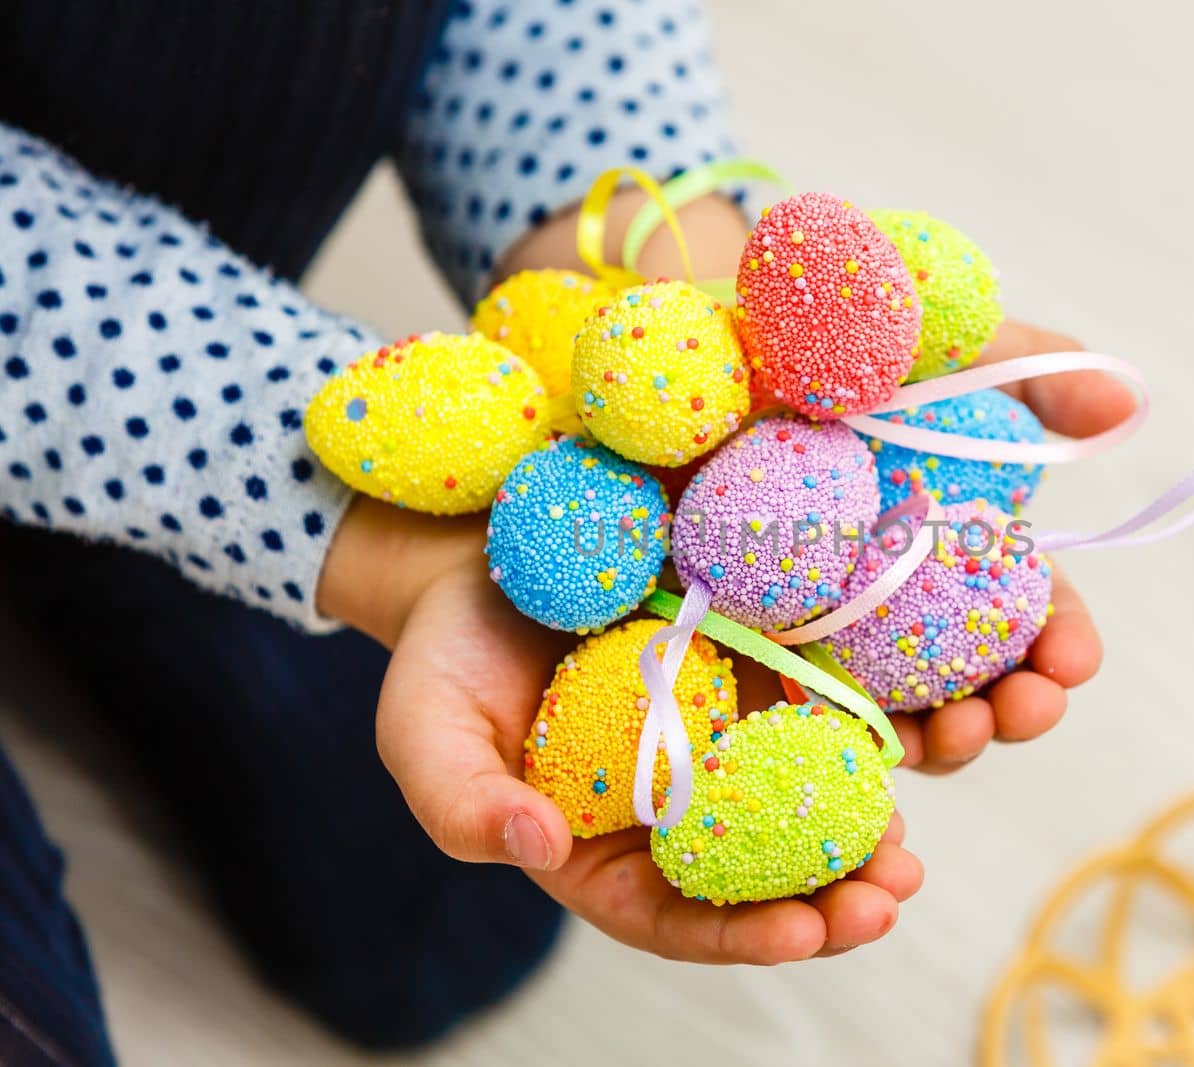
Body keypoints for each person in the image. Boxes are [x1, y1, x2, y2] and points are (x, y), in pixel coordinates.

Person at [0, 0, 1134, 1062]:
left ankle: (127, 542)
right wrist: (363, 526)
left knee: (437, 932)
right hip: (105, 356)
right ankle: (121, 536)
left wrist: (657, 254)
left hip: (190, 382)